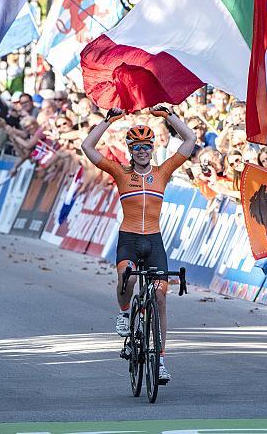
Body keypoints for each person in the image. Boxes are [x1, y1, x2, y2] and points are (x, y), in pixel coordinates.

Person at [81, 104, 196, 383]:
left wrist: (168, 116)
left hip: (154, 241)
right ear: (130, 151)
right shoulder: (121, 173)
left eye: (146, 146)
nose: (142, 151)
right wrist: (108, 121)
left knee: (161, 296)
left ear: (152, 149)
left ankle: (161, 362)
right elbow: (88, 146)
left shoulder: (163, 172)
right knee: (126, 277)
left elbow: (190, 140)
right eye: (137, 147)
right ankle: (124, 314)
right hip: (130, 239)